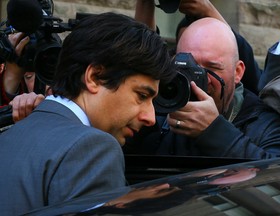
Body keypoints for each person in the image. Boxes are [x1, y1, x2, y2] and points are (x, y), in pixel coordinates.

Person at [0, 12, 174, 215]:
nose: (151, 117)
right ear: (94, 77)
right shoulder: (93, 148)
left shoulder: (10, 136)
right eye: (141, 95)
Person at [124, 17, 280, 159]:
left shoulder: (263, 122)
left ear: (238, 72)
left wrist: (214, 131)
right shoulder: (155, 112)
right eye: (189, 66)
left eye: (212, 67)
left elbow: (277, 177)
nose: (200, 78)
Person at [135, 0, 262, 95]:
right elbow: (144, 54)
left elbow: (251, 74)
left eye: (211, 66)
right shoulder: (167, 81)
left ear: (238, 72)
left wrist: (209, 11)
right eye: (190, 58)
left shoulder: (254, 117)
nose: (200, 74)